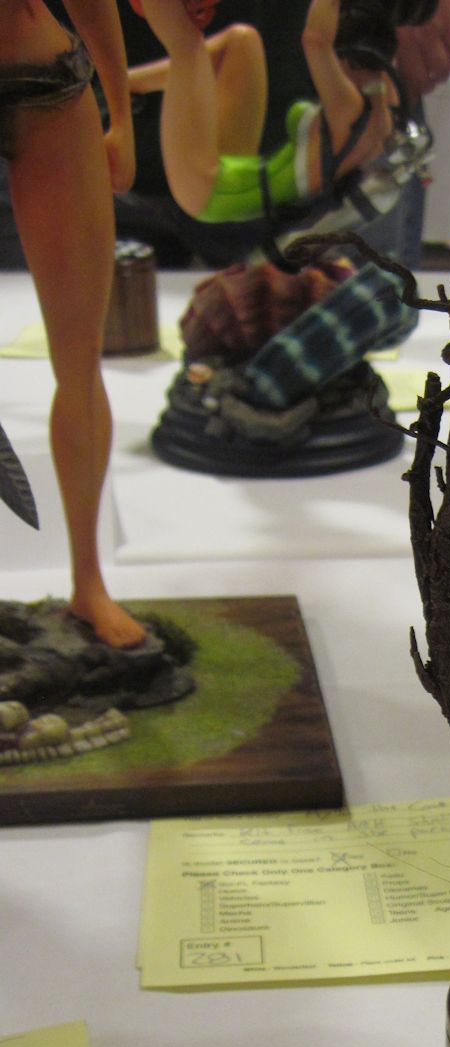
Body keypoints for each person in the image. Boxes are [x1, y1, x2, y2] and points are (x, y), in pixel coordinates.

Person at [0, 0, 144, 647]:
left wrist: (121, 113)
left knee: (79, 360)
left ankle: (89, 583)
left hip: (47, 80)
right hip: (43, 74)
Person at [130, 0, 408, 224]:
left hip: (210, 191)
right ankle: (122, 85)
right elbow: (380, 40)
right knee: (241, 41)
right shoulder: (382, 107)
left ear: (352, 58)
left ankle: (116, 88)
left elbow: (315, 38)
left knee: (184, 41)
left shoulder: (350, 108)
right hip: (238, 174)